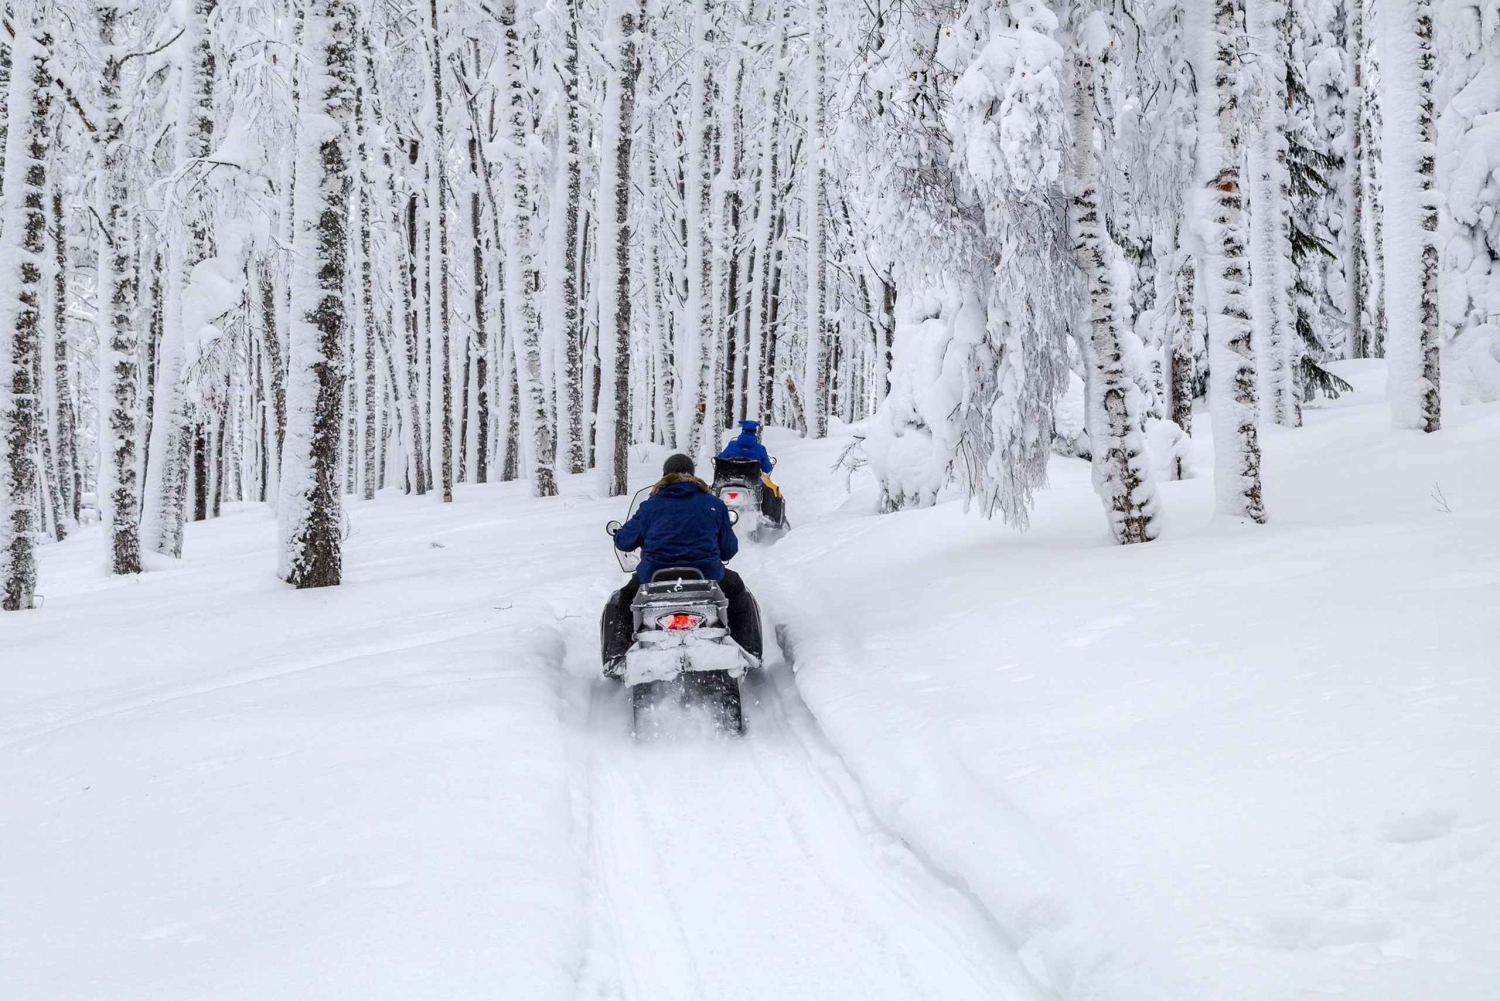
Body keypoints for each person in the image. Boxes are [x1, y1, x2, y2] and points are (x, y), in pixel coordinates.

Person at [601, 454, 762, 675]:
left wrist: (620, 534)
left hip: (655, 578)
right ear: (692, 475)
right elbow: (729, 549)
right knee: (736, 591)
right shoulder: (714, 504)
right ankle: (748, 647)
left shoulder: (650, 506)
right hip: (707, 577)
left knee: (622, 602)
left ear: (665, 476)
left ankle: (617, 656)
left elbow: (625, 541)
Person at [715, 420, 784, 526]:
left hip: (727, 482)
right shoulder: (760, 449)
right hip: (751, 483)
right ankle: (769, 517)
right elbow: (766, 469)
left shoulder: (732, 445)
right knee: (769, 491)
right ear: (754, 432)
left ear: (742, 431)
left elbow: (720, 459)